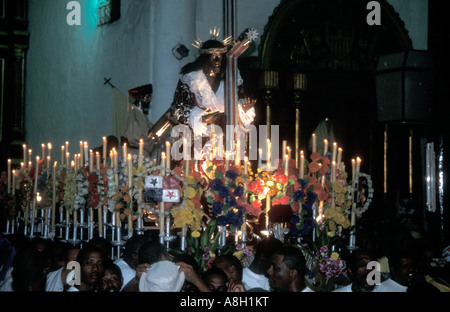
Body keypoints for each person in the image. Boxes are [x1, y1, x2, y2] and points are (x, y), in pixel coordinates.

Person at [169, 35, 256, 160]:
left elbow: (240, 103)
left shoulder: (231, 81)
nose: (217, 60)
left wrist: (244, 109)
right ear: (204, 58)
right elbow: (177, 109)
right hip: (199, 140)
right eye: (213, 56)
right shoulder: (191, 80)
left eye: (220, 56)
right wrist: (201, 118)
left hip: (226, 140)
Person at [121, 84, 156, 158]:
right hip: (134, 155)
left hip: (140, 154)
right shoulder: (134, 115)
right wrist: (153, 139)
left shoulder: (140, 115)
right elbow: (135, 139)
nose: (150, 100)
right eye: (147, 97)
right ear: (140, 98)